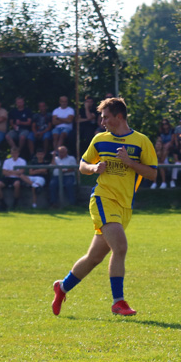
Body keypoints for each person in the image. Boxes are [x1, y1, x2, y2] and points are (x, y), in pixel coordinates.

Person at [51, 97, 157, 317]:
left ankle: (62, 287)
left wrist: (131, 163)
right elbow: (82, 165)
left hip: (125, 205)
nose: (102, 121)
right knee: (120, 247)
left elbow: (153, 173)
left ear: (119, 116)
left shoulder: (141, 141)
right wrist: (93, 168)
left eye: (106, 116)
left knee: (94, 258)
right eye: (101, 117)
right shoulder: (100, 139)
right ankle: (118, 302)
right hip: (102, 198)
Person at [0, 145, 26, 211]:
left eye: (15, 153)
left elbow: (22, 171)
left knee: (17, 184)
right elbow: (4, 172)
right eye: (13, 153)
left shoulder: (22, 161)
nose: (14, 154)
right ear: (11, 153)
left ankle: (15, 202)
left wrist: (10, 171)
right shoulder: (7, 161)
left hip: (17, 178)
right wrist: (15, 172)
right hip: (7, 178)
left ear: (18, 153)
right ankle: (2, 203)